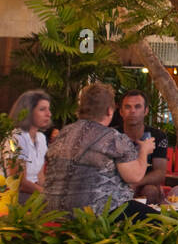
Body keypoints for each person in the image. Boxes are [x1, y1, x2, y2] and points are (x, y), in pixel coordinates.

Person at [41, 82, 155, 217]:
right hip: (99, 214)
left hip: (55, 212)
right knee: (162, 222)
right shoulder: (113, 138)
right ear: (109, 110)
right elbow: (134, 177)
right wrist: (144, 151)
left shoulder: (62, 135)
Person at [0, 89, 53, 205]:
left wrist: (54, 193)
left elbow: (40, 177)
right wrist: (47, 195)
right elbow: (19, 182)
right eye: (42, 109)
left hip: (31, 192)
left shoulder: (41, 138)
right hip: (9, 195)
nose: (49, 114)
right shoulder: (15, 138)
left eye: (48, 109)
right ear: (28, 112)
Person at [116, 89, 168, 203]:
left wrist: (136, 183)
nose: (133, 111)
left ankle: (150, 221)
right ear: (121, 112)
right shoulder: (113, 135)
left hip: (146, 183)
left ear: (145, 111)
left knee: (150, 190)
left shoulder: (157, 136)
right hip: (119, 182)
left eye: (137, 106)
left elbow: (160, 173)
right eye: (128, 107)